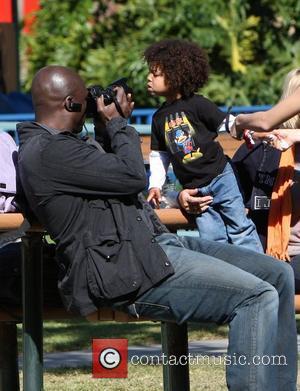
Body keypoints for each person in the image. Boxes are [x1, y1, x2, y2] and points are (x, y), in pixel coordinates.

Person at [17, 65, 297, 390]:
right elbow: (133, 176)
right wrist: (118, 122)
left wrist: (105, 126)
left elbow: (113, 176)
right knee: (256, 296)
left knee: (277, 276)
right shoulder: (48, 152)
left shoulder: (66, 146)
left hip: (152, 250)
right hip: (129, 274)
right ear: (71, 104)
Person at [144, 39, 263, 253]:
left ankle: (262, 272)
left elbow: (226, 122)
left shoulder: (198, 104)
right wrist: (155, 185)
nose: (149, 78)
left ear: (175, 75)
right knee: (212, 238)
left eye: (156, 74)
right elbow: (159, 156)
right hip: (195, 190)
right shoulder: (158, 118)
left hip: (221, 177)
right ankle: (228, 280)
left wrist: (244, 131)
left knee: (240, 228)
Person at [232, 68, 300, 292]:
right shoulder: (263, 151)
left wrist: (239, 122)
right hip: (280, 255)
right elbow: (228, 188)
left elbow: (264, 121)